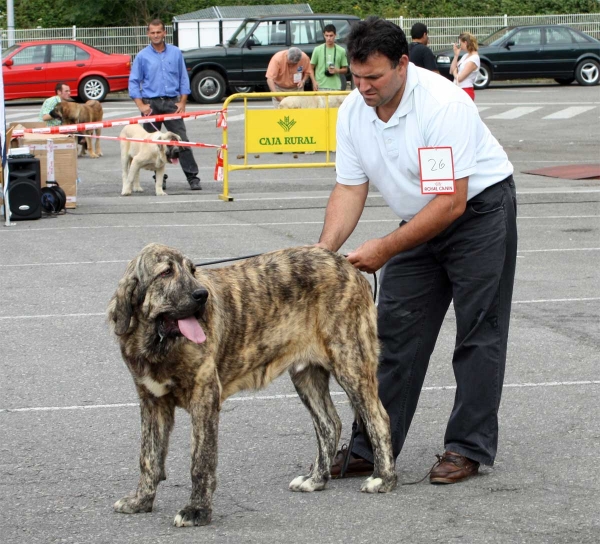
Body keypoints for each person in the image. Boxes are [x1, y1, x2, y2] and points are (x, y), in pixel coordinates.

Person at [318, 17, 517, 485]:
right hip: (422, 220)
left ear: (403, 65)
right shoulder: (353, 112)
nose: (363, 86)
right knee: (391, 334)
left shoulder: (440, 103)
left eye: (374, 77)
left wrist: (384, 248)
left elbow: (450, 201)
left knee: (478, 332)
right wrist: (322, 254)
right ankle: (372, 445)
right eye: (356, 75)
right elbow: (349, 188)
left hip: (479, 212)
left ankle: (466, 446)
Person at [129, 19, 201, 191]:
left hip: (171, 103)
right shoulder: (142, 56)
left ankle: (193, 177)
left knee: (181, 140)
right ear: (148, 34)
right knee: (150, 144)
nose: (155, 35)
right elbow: (133, 81)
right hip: (150, 105)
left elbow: (184, 78)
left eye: (158, 32)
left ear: (164, 33)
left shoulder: (175, 53)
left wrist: (182, 101)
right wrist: (141, 105)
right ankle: (160, 178)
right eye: (152, 32)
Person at [310, 24, 349, 91]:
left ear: (335, 35)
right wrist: (314, 82)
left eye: (331, 35)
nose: (329, 38)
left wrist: (337, 70)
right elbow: (310, 68)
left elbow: (345, 69)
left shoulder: (341, 51)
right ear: (324, 35)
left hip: (335, 86)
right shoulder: (317, 49)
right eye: (326, 35)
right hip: (320, 86)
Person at [450, 32, 480, 101]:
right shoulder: (465, 56)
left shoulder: (474, 58)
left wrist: (455, 72)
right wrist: (456, 55)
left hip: (466, 90)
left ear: (465, 43)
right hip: (458, 89)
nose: (460, 46)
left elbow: (460, 78)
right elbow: (451, 70)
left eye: (461, 43)